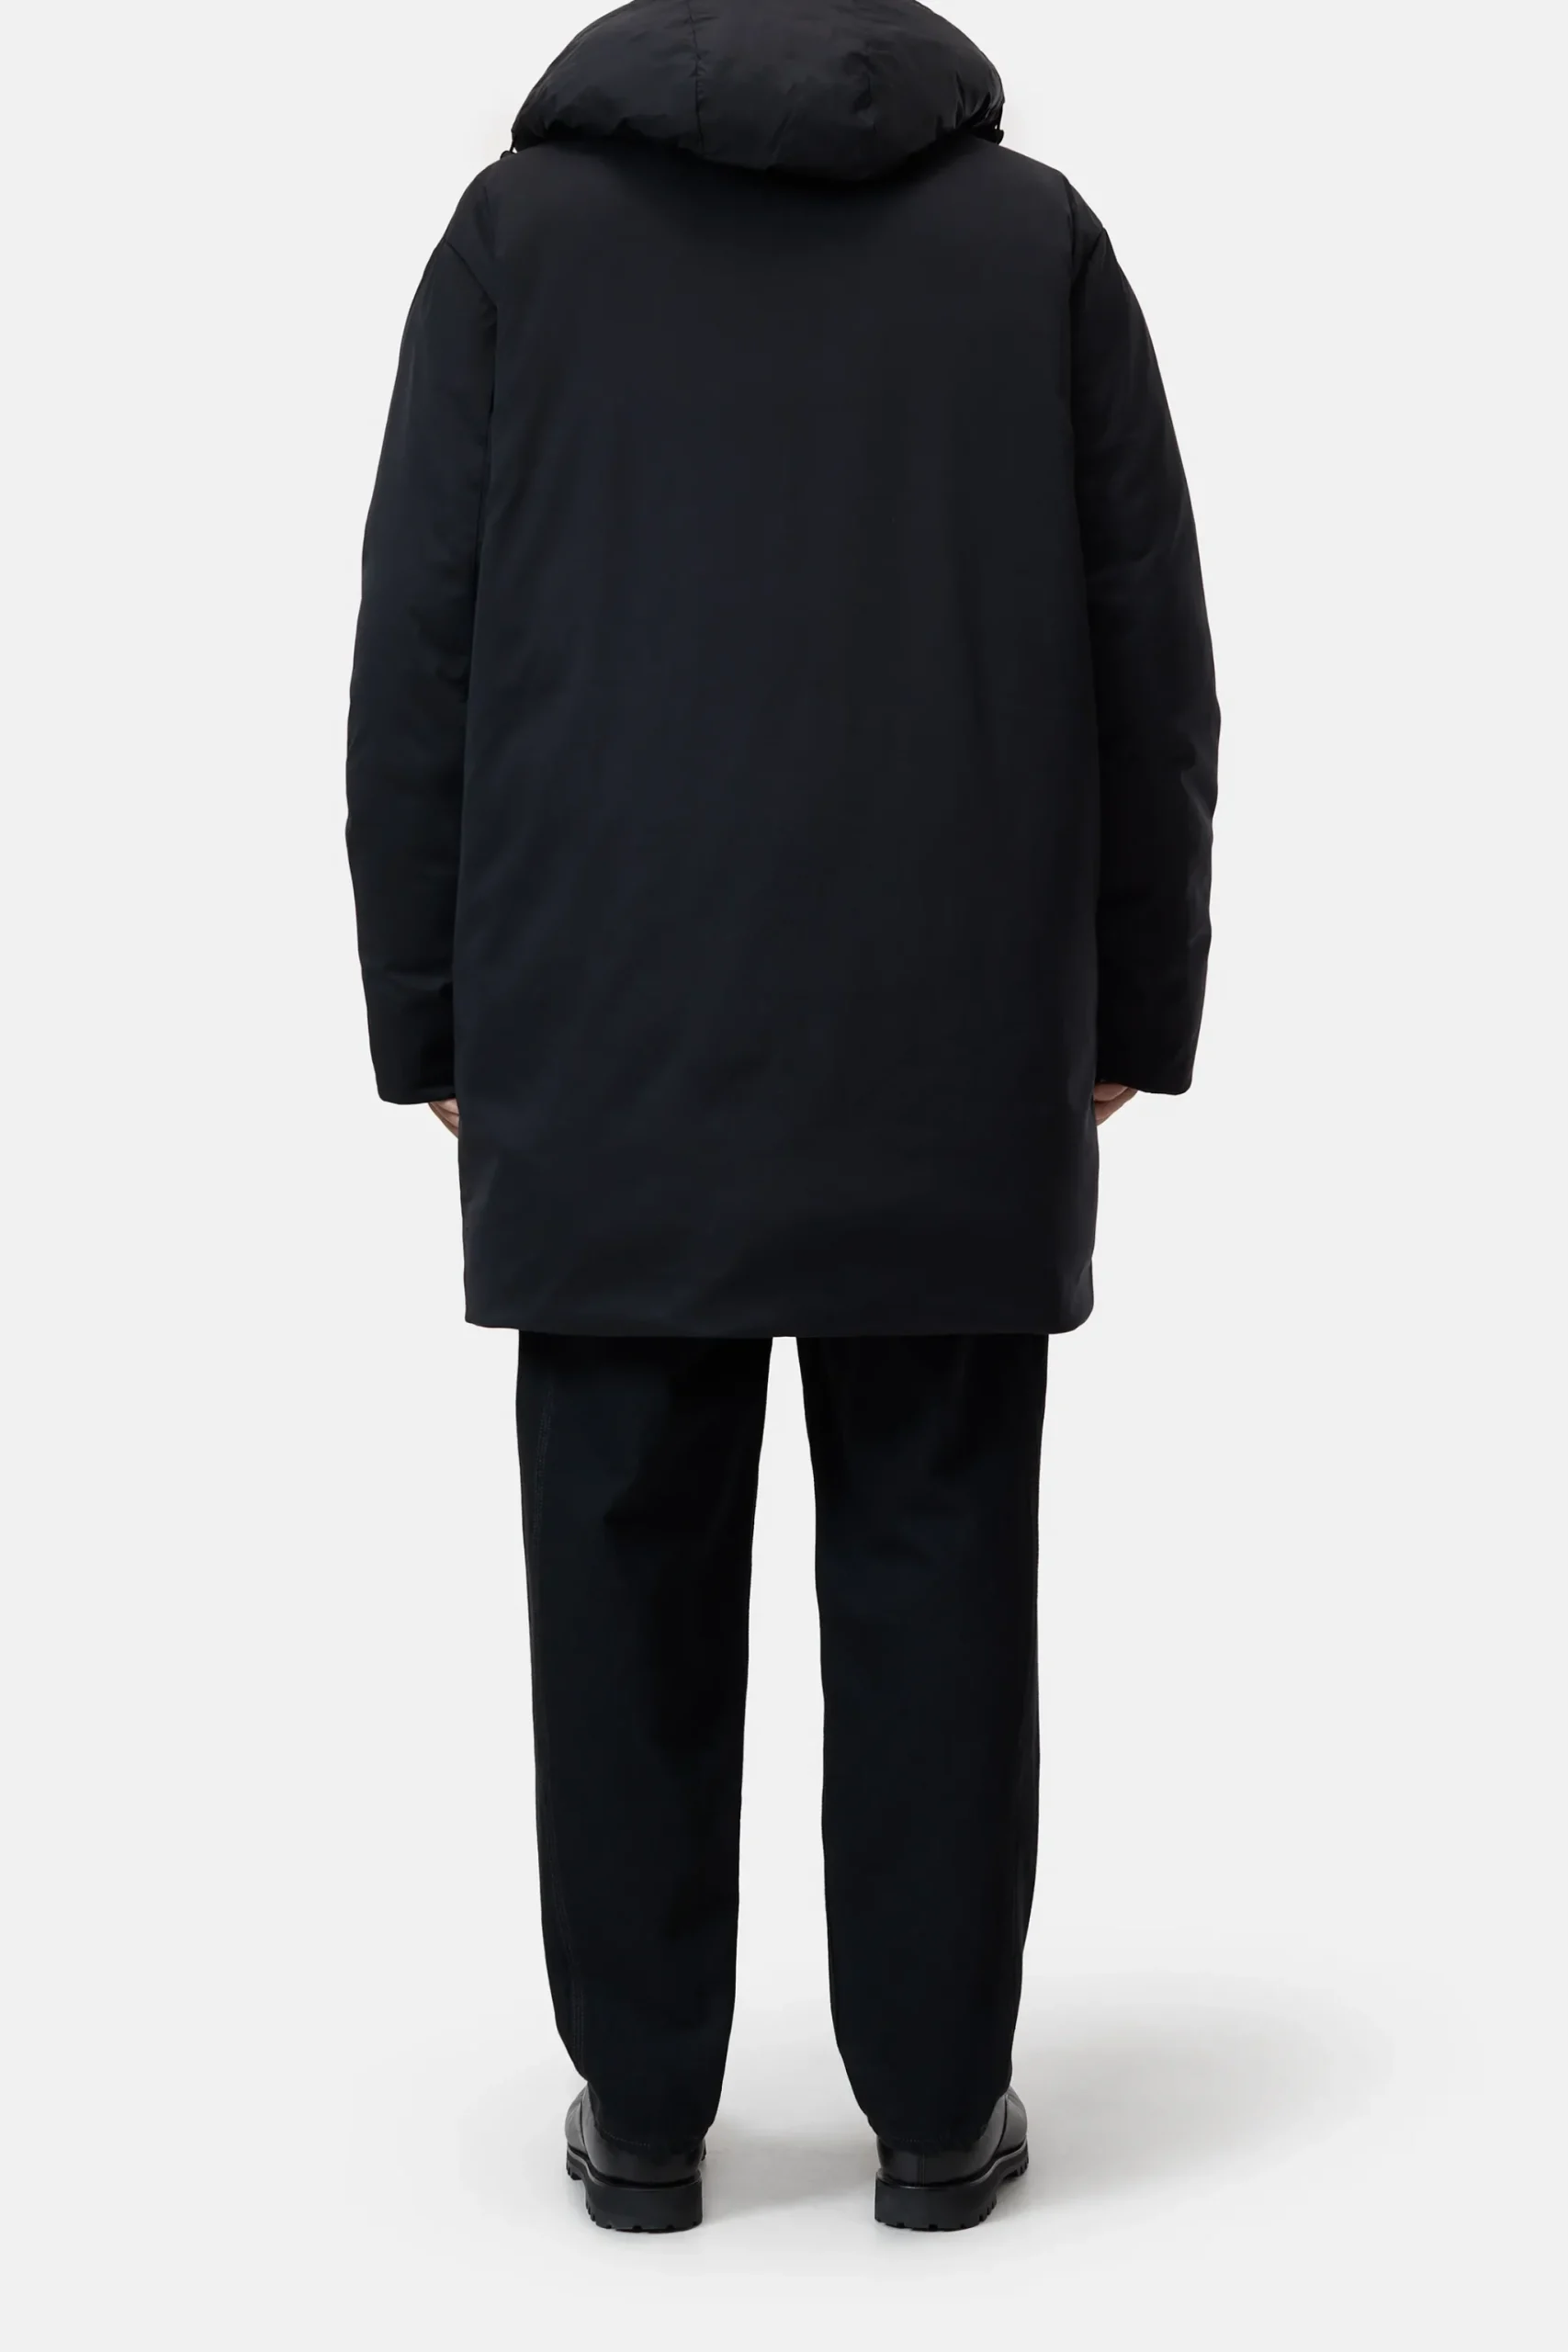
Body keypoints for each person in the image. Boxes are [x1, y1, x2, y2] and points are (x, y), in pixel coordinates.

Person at [346, 0, 1217, 2233]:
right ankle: (933, 2112)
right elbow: (1150, 655)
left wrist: (428, 1010)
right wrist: (1132, 998)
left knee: (617, 1548)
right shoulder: (1031, 245)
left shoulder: (517, 242)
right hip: (949, 1011)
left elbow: (420, 639)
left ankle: (644, 2115)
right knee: (939, 1548)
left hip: (599, 1007)